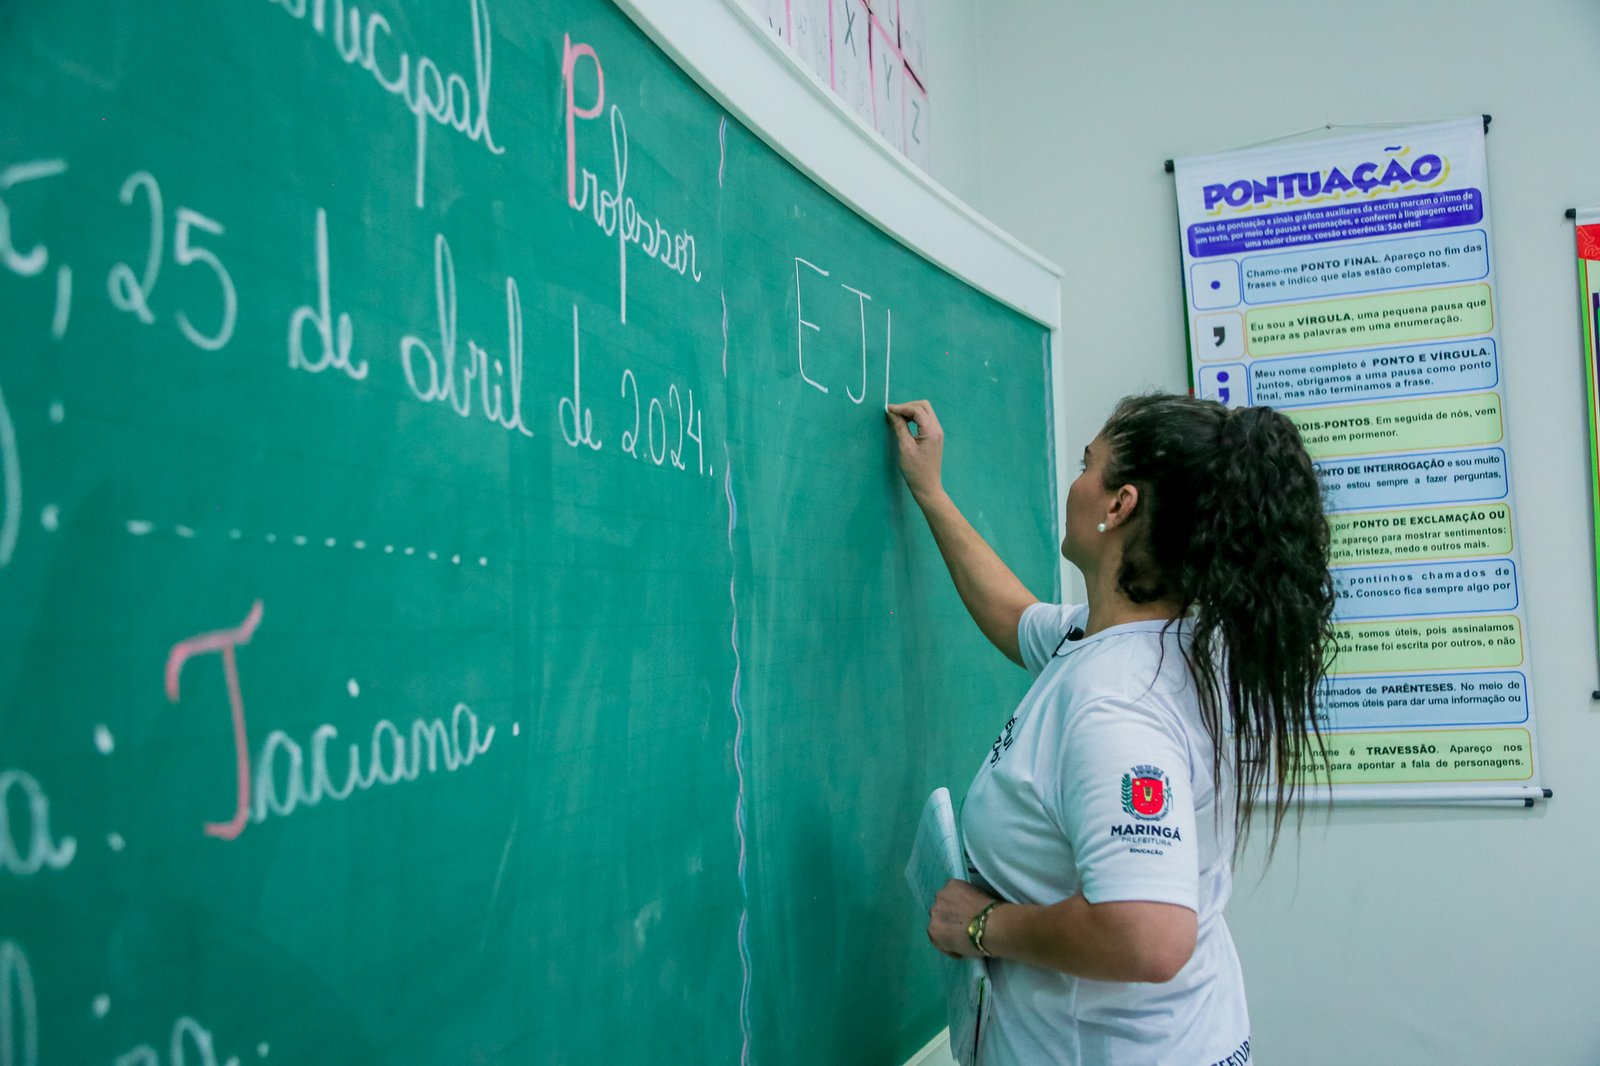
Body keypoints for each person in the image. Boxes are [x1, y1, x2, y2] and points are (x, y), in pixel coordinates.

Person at [886, 393, 1335, 1065]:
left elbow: (1147, 937)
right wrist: (932, 493)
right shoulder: (1153, 642)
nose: (1076, 480)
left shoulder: (1118, 708)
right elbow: (1015, 616)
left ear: (1120, 505)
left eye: (1086, 464)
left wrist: (980, 926)